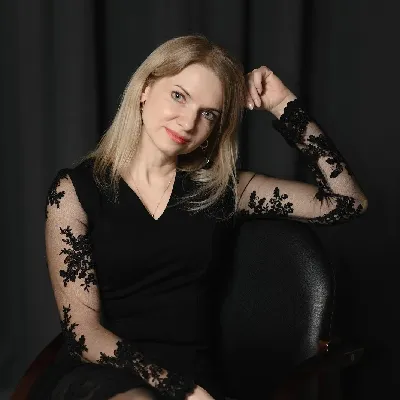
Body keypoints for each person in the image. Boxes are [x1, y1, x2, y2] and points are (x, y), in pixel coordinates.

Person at [29, 35, 368, 400]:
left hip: (194, 376)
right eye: (179, 96)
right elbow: (82, 333)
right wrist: (179, 389)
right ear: (145, 89)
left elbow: (347, 202)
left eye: (208, 114)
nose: (188, 121)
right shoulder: (75, 191)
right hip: (103, 375)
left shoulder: (224, 191)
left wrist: (283, 104)